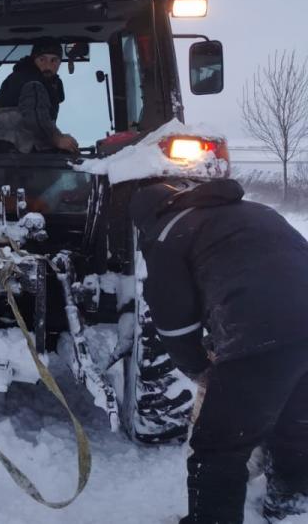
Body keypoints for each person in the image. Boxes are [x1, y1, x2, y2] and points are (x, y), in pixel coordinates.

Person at [130, 178, 308, 523]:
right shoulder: (253, 211)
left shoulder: (167, 234)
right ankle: (290, 504)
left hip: (260, 338)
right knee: (296, 424)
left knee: (219, 445)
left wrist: (199, 368)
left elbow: (174, 323)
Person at [0, 38, 80, 154]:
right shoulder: (32, 81)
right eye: (42, 59)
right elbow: (35, 116)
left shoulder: (35, 79)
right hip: (7, 144)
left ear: (60, 63)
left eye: (53, 60)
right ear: (34, 60)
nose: (48, 66)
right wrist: (57, 139)